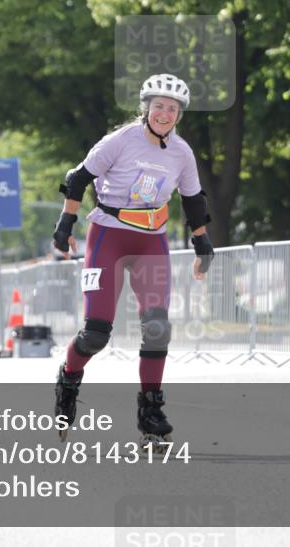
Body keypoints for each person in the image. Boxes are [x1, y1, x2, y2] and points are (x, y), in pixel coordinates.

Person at [52, 73, 214, 448]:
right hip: (108, 236)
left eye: (172, 109)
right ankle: (68, 379)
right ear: (146, 109)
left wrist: (202, 243)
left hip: (151, 242)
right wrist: (65, 223)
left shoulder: (181, 152)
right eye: (158, 106)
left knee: (158, 328)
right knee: (95, 334)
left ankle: (151, 414)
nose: (164, 113)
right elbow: (76, 179)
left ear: (179, 115)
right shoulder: (120, 141)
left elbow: (193, 200)